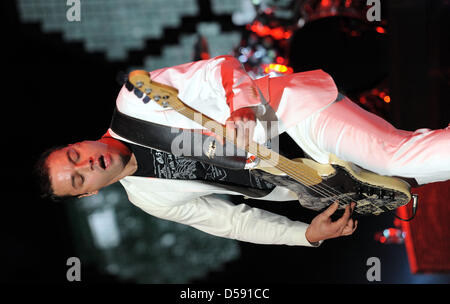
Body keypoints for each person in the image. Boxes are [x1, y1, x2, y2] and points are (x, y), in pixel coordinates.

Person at [35, 55, 450, 247]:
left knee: (398, 159)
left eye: (75, 157)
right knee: (416, 174)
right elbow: (232, 222)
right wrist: (303, 235)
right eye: (79, 179)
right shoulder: (148, 199)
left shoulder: (134, 101)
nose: (87, 165)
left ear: (79, 143)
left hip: (291, 116)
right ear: (89, 192)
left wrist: (242, 109)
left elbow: (221, 68)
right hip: (309, 179)